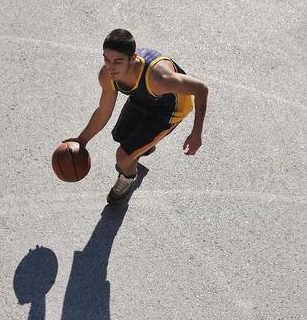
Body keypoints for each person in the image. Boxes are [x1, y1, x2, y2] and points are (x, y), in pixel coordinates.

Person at [71, 29, 208, 204]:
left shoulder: (160, 79)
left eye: (118, 62)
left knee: (123, 158)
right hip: (143, 98)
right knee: (119, 136)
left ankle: (128, 178)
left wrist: (196, 133)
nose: (110, 67)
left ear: (133, 58)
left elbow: (201, 89)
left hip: (167, 111)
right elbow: (103, 111)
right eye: (106, 59)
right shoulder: (108, 75)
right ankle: (144, 147)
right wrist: (82, 140)